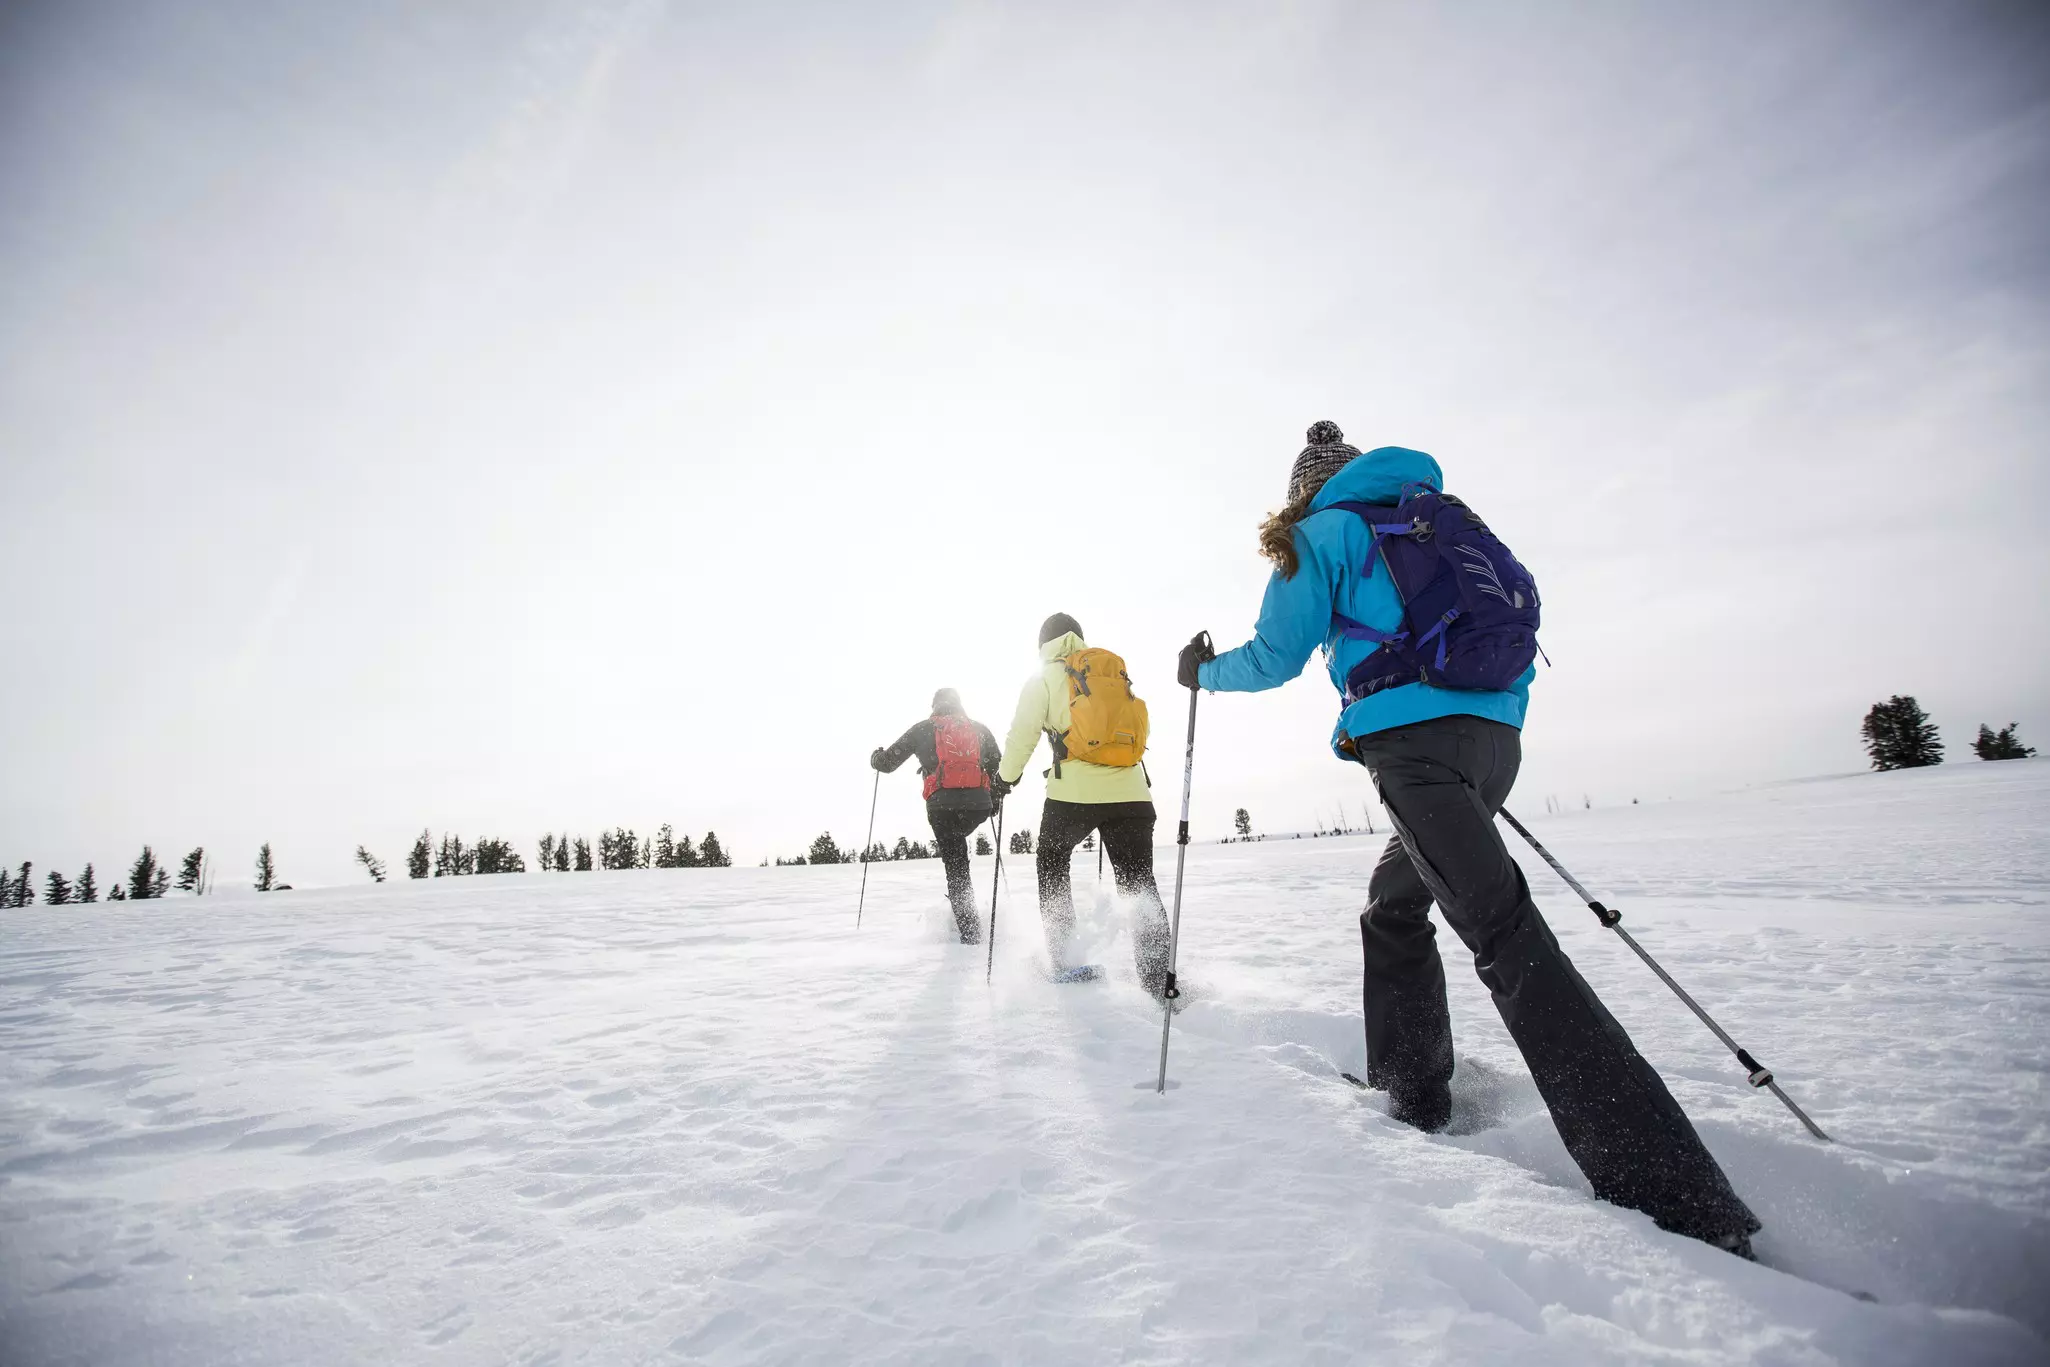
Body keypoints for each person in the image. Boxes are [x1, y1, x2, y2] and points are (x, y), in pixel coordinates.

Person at [1179, 420, 1760, 1255]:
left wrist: (1199, 669)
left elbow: (1276, 655)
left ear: (1309, 486)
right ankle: (1411, 1091)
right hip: (1494, 742)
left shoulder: (1324, 531)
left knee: (1508, 939)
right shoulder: (1435, 514)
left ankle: (1675, 1192)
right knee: (1392, 905)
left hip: (1414, 752)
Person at [995, 614, 1171, 994]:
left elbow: (1022, 734)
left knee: (1052, 861)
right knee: (1138, 881)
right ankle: (1159, 980)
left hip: (1072, 796)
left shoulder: (1042, 678)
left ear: (1043, 644)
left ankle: (1066, 961)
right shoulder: (1108, 670)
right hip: (1132, 795)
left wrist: (1005, 779)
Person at [871, 689, 1002, 944]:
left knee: (956, 865)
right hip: (978, 806)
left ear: (934, 706)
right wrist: (993, 799)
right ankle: (969, 918)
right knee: (958, 847)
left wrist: (875, 757)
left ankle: (970, 932)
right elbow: (998, 764)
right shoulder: (978, 728)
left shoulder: (923, 729)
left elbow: (887, 763)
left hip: (942, 806)